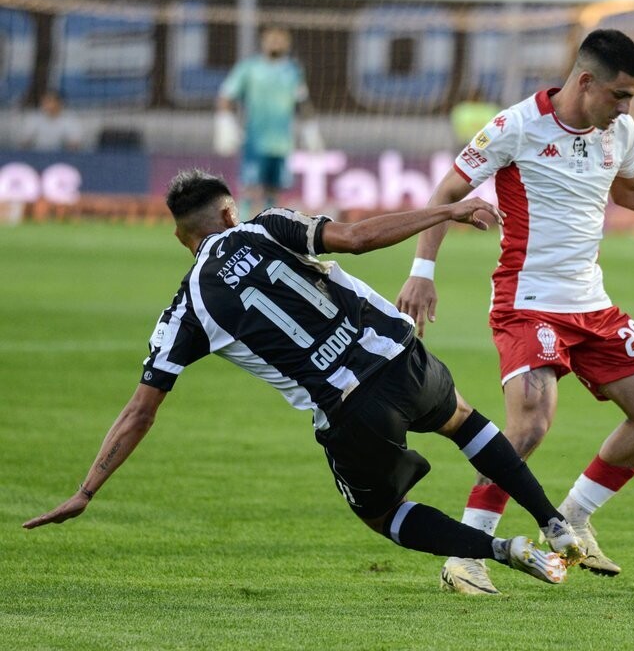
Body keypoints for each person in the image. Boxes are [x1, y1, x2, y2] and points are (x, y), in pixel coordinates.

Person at [23, 169, 586, 594]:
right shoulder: (267, 225)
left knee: (381, 514)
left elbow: (140, 411)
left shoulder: (187, 308)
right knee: (464, 420)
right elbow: (360, 237)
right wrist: (446, 212)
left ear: (183, 239)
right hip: (401, 358)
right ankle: (555, 522)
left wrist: (86, 490)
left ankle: (503, 549)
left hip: (350, 410)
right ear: (228, 214)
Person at [396, 29, 634, 594]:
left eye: (632, 97)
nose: (626, 107)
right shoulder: (515, 126)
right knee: (532, 422)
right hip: (528, 302)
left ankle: (578, 517)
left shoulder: (621, 130)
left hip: (592, 302)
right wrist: (422, 272)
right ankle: (465, 554)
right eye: (620, 95)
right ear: (584, 82)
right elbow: (447, 192)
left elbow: (630, 190)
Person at [215, 27, 324, 219]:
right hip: (255, 141)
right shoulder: (249, 68)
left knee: (274, 190)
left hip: (282, 143)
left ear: (287, 44)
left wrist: (311, 131)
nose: (275, 43)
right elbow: (226, 95)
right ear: (262, 42)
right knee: (249, 187)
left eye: (280, 39)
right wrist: (225, 123)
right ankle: (240, 225)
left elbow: (302, 102)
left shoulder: (293, 71)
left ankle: (268, 226)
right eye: (271, 39)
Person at [20, 90, 84, 152]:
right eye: (43, 102)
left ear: (59, 103)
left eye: (49, 101)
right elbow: (23, 143)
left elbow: (75, 144)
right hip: (36, 157)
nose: (44, 105)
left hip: (62, 157)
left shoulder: (70, 120)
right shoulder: (34, 118)